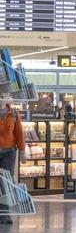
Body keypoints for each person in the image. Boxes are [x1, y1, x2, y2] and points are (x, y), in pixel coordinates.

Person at [0, 95, 25, 225]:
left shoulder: (14, 113)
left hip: (9, 152)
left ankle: (5, 214)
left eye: (2, 96)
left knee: (6, 182)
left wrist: (22, 151)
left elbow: (19, 133)